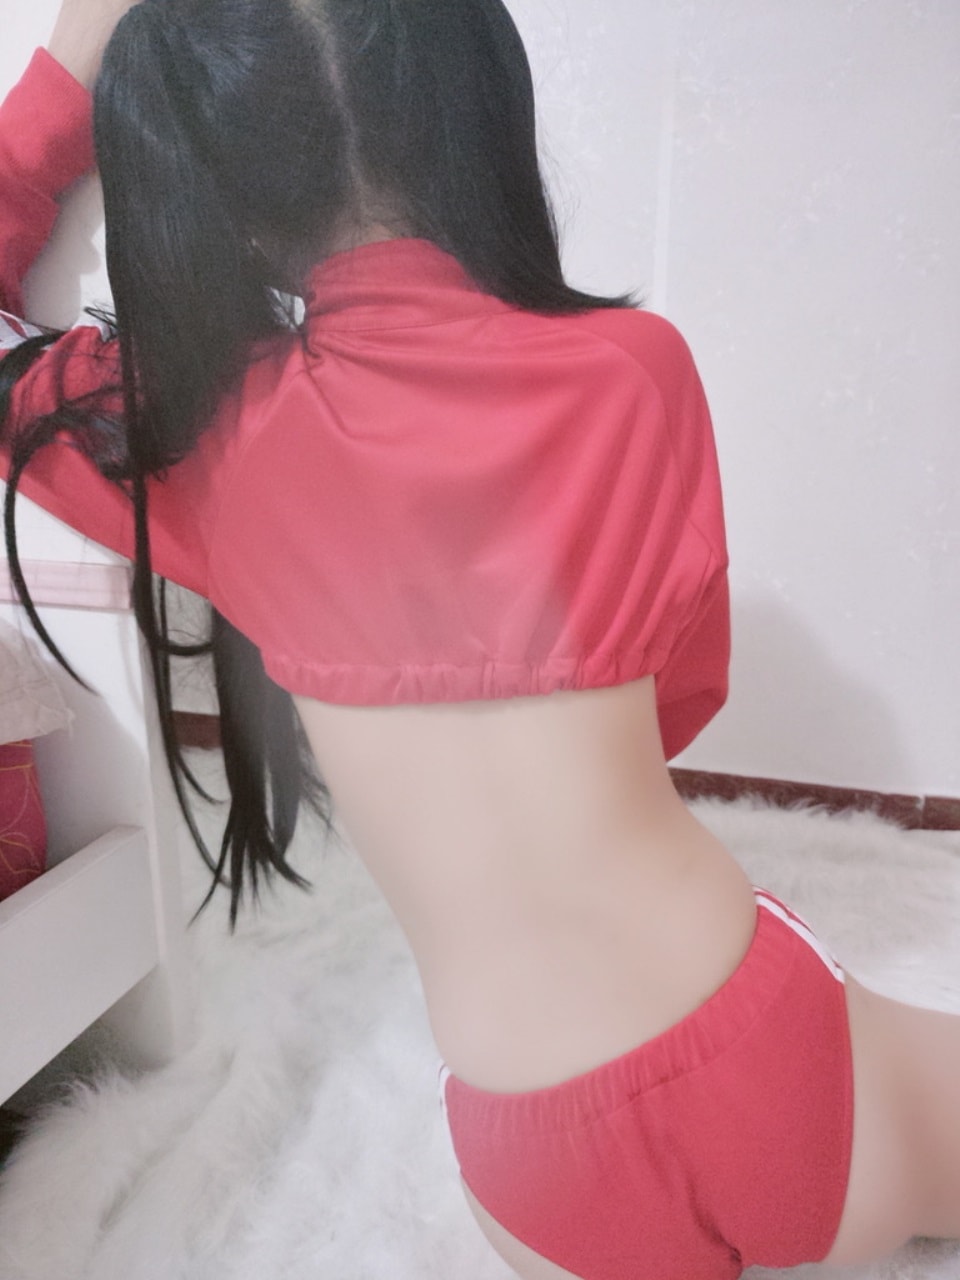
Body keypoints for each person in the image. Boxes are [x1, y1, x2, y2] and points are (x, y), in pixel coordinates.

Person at [2, 2, 959, 1276]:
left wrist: (63, 75)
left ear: (223, 184)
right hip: (761, 1056)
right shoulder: (634, 370)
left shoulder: (199, 442)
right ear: (477, 112)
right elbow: (684, 700)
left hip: (529, 1170)